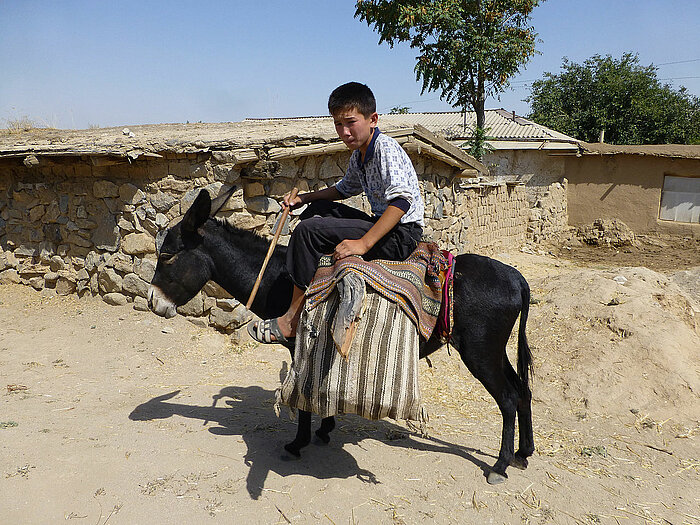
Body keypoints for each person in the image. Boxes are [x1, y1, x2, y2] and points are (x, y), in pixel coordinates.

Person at [248, 81, 425, 344]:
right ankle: (315, 279)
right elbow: (343, 190)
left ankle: (291, 321)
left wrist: (363, 243)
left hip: (401, 235)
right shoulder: (359, 156)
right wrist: (303, 199)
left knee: (307, 231)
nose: (344, 131)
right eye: (338, 124)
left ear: (373, 119)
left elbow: (401, 202)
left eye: (350, 122)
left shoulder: (386, 149)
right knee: (317, 210)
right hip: (383, 225)